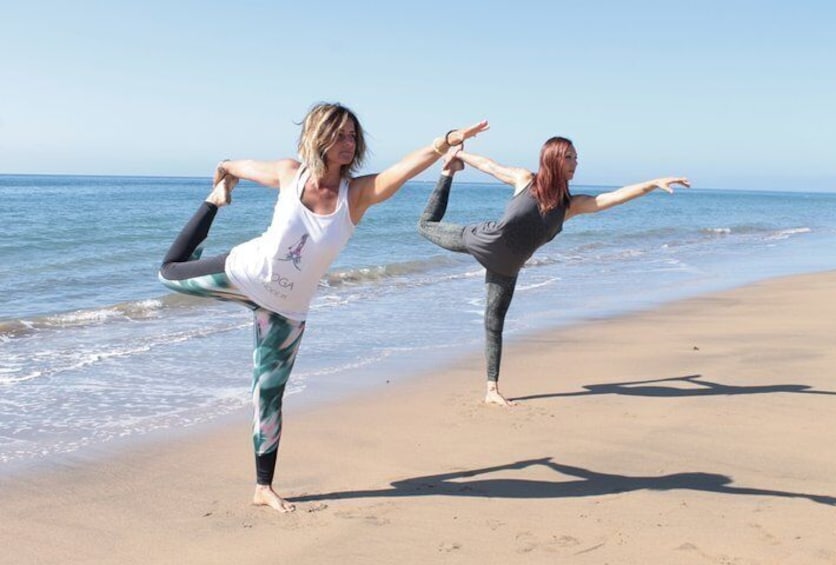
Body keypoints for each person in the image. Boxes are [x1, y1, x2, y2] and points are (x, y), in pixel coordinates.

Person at [159, 102, 488, 512]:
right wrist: (224, 170)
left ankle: (263, 487)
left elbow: (403, 168)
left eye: (353, 136)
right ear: (319, 136)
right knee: (169, 271)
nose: (348, 143)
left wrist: (443, 143)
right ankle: (212, 204)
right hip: (244, 273)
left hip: (288, 311)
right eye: (339, 135)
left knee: (268, 395)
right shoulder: (289, 173)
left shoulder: (357, 195)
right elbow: (245, 166)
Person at [418, 137, 689, 407]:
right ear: (552, 158)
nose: (575, 163)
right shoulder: (524, 179)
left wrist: (652, 183)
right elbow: (490, 166)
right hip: (483, 240)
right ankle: (446, 173)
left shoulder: (570, 206)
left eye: (576, 158)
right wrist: (460, 157)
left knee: (494, 322)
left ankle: (492, 389)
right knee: (425, 226)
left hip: (507, 268)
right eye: (569, 157)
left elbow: (612, 197)